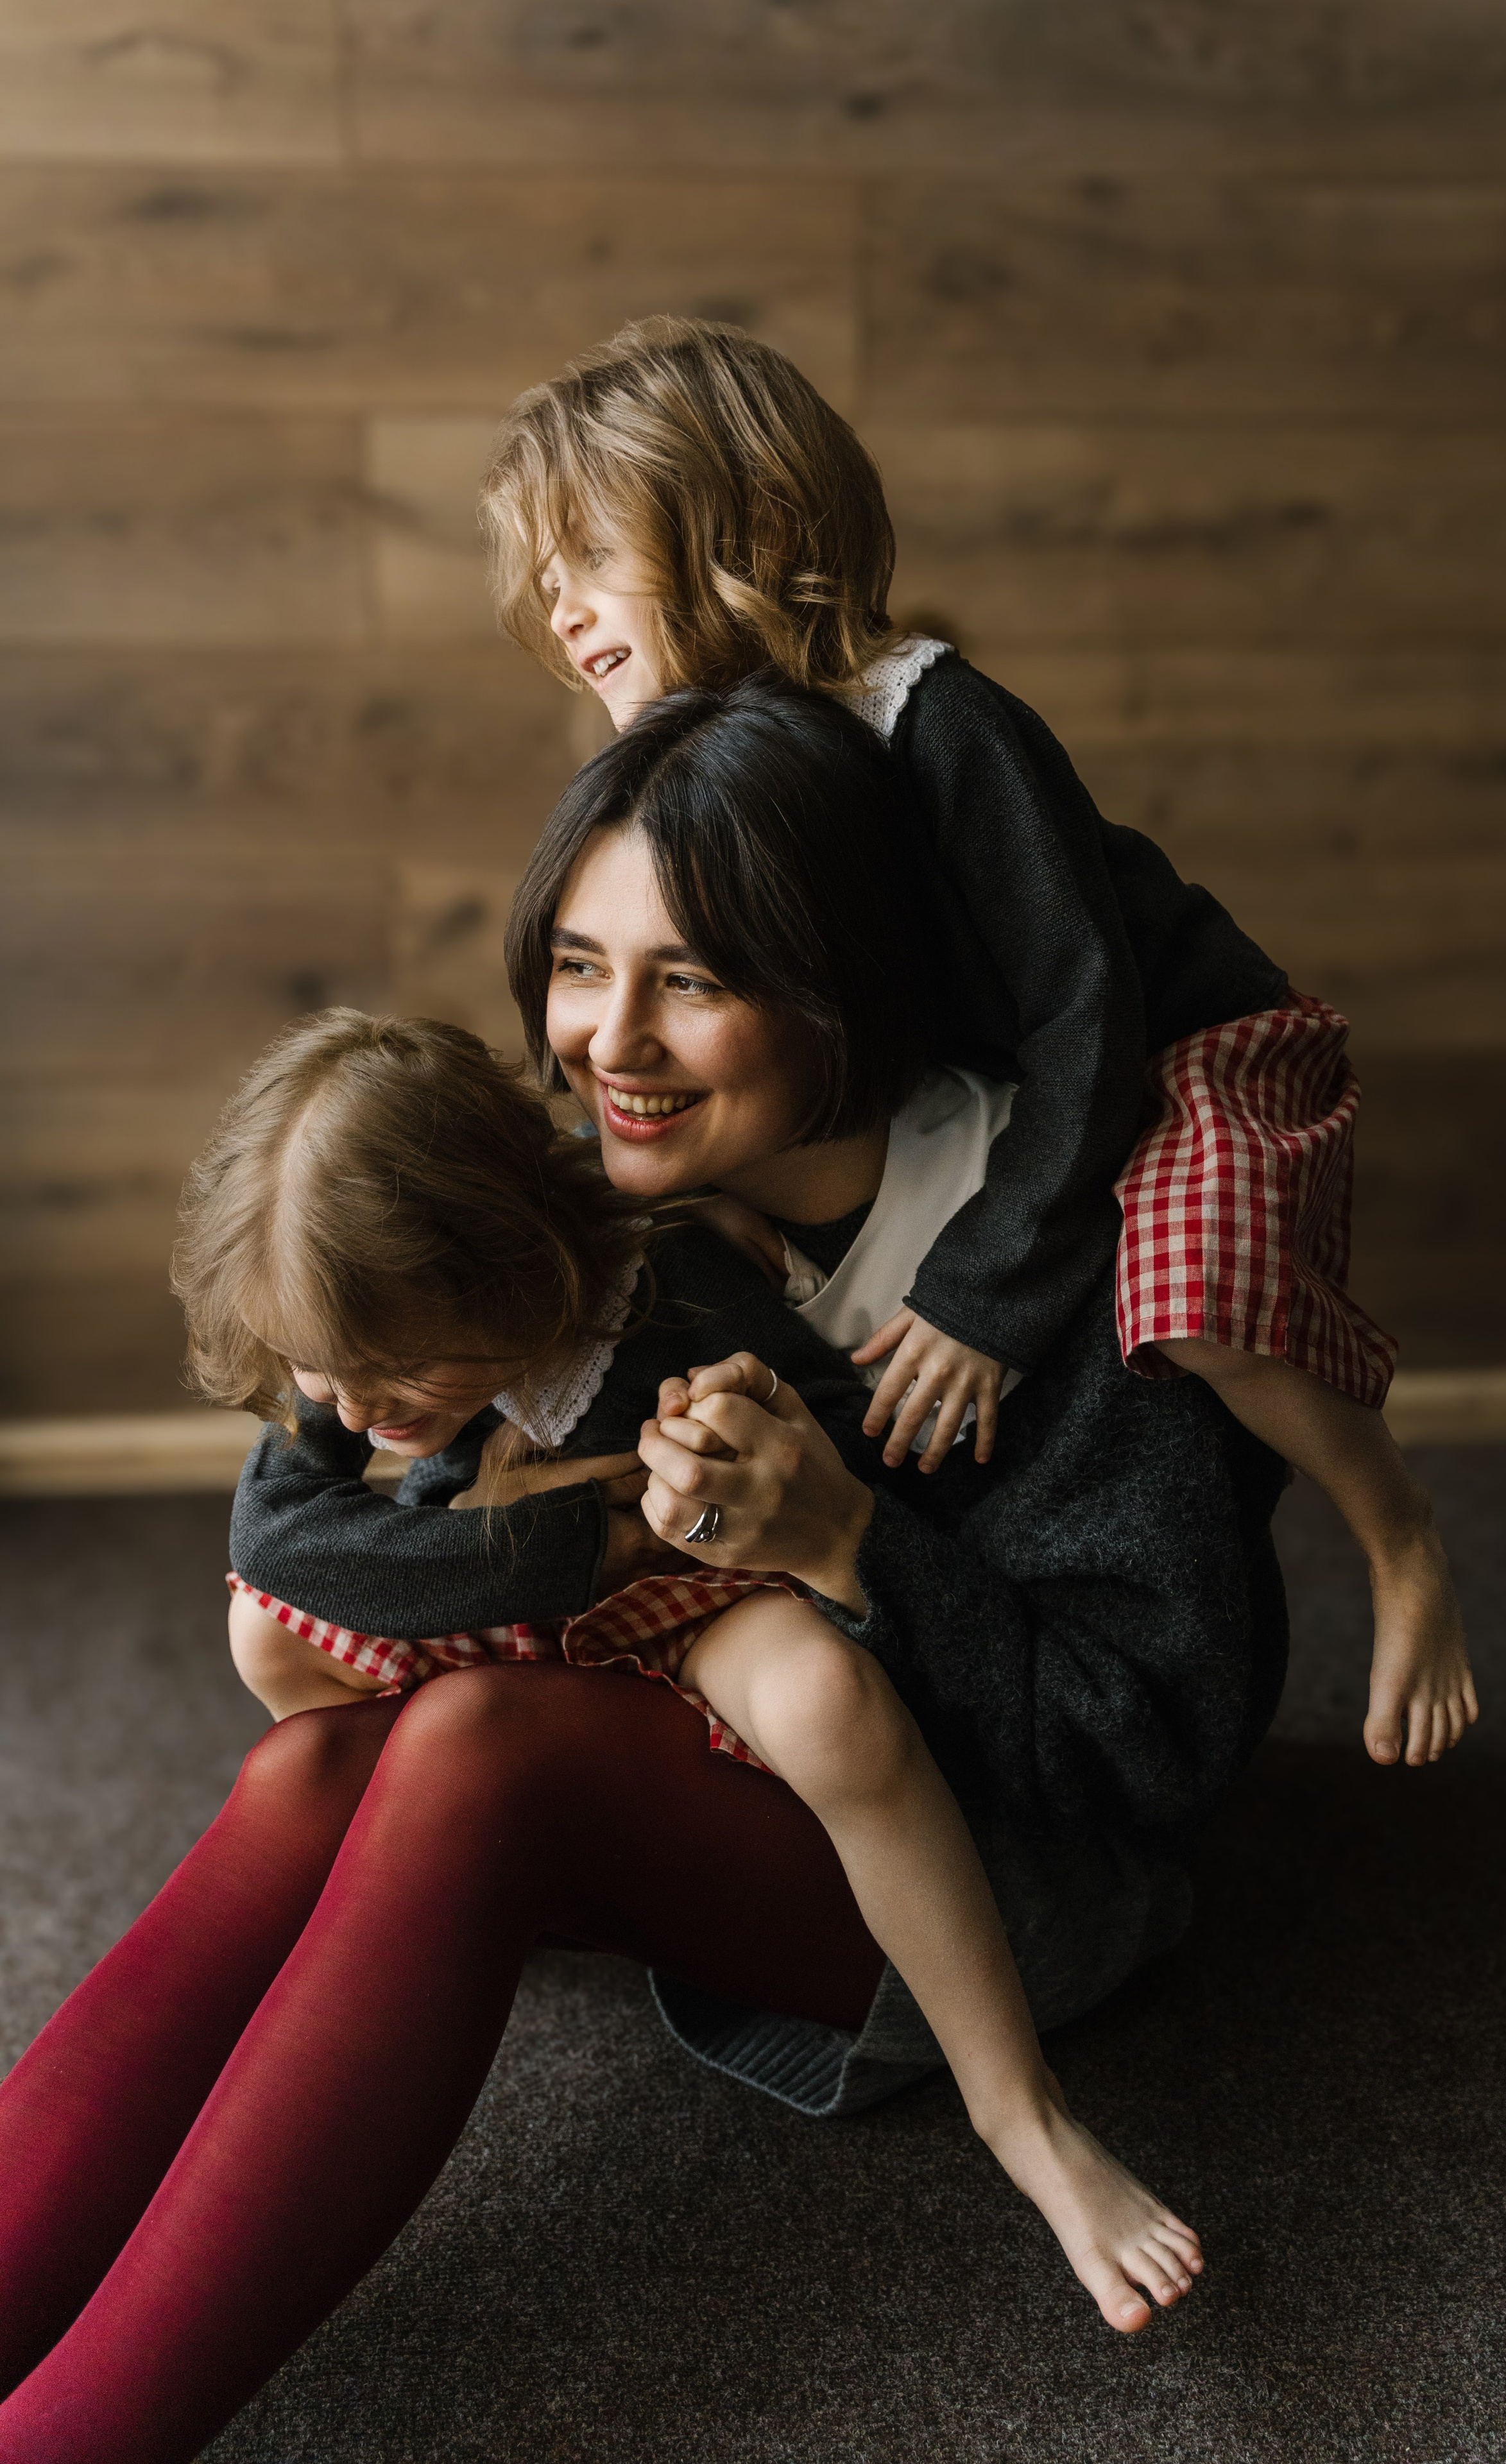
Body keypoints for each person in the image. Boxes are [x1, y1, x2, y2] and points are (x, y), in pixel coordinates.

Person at [0, 679, 1284, 2456]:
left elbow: (1152, 1755)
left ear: (844, 982)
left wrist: (849, 1538)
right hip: (711, 1755)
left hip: (1006, 1867)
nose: (607, 1039)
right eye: (580, 964)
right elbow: (326, 1470)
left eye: (692, 978)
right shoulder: (566, 1222)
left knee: (472, 1752)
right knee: (306, 1762)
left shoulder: (1068, 1247)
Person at [481, 316, 1478, 1771]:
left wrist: (983, 1295)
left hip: (1189, 1047)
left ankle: (1397, 1537)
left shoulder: (933, 724)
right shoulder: (710, 777)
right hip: (1029, 1070)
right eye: (546, 579)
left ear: (749, 524)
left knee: (1186, 1296)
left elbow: (1085, 1015)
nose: (564, 611)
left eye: (594, 559)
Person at [194, 1001, 1208, 2311]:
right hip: (552, 1566)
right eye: (320, 1373)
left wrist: (727, 1457)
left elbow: (846, 1455)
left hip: (706, 1580)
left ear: (506, 1260)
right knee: (261, 1628)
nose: (346, 1409)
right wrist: (564, 1538)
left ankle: (1025, 2118)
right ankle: (513, 1866)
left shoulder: (670, 1291)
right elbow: (273, 1534)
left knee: (829, 1704)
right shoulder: (352, 1326)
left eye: (382, 1371)